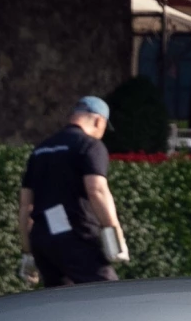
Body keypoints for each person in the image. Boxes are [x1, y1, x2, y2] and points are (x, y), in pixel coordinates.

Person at [20, 96, 129, 287]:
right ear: (99, 121)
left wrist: (28, 252)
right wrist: (114, 232)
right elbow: (97, 190)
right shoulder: (89, 145)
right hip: (76, 236)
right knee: (109, 294)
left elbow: (25, 206)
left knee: (61, 301)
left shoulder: (40, 150)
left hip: (42, 240)